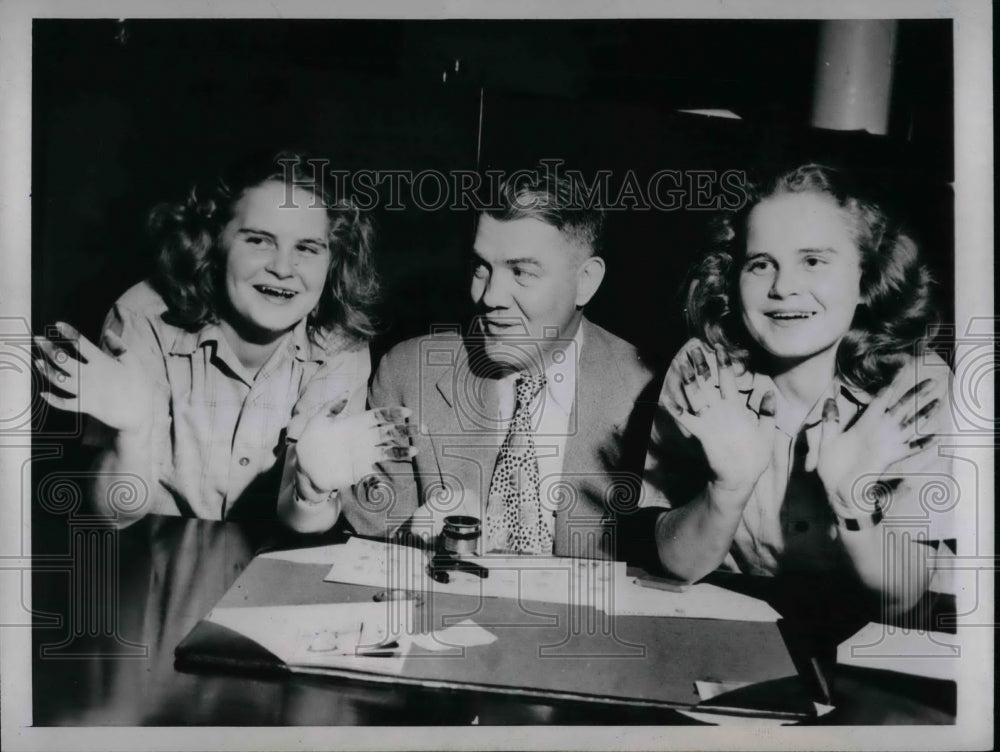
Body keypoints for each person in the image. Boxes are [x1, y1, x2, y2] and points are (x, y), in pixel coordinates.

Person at [281, 169, 658, 559]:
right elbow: (368, 544)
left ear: (586, 281)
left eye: (522, 272)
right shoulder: (409, 373)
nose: (491, 296)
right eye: (482, 267)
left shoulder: (642, 391)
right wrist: (416, 543)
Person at [640, 163, 955, 616]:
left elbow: (903, 597)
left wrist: (853, 503)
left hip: (878, 638)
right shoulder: (704, 370)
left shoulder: (916, 388)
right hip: (740, 627)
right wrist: (727, 490)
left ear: (868, 279)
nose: (783, 287)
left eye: (813, 261)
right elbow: (677, 567)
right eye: (761, 264)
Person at [33, 151, 412, 525]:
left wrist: (311, 487)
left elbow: (298, 521)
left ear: (333, 261)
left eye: (307, 248)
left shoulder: (340, 344)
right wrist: (133, 432)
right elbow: (114, 516)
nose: (282, 268)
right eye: (258, 241)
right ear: (215, 243)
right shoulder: (142, 317)